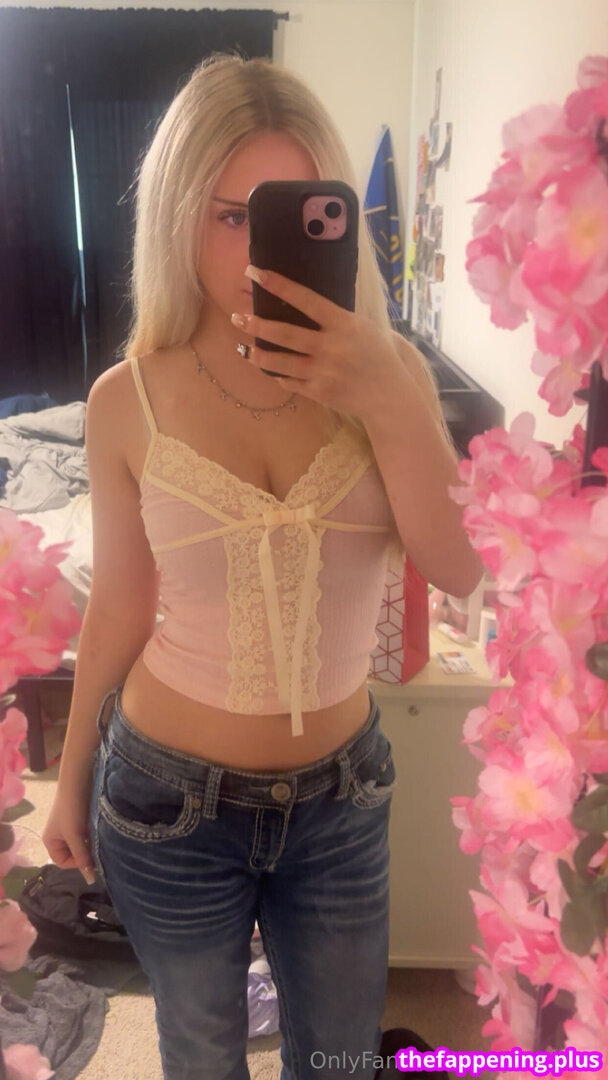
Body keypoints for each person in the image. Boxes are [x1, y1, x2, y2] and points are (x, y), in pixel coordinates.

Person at [42, 52, 482, 1080]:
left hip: (340, 801)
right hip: (164, 799)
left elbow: (459, 567)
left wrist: (387, 395)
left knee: (338, 1059)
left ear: (336, 217)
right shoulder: (125, 399)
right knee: (201, 1054)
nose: (255, 252)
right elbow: (120, 605)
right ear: (178, 218)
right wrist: (68, 785)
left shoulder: (393, 377)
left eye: (288, 213)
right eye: (229, 216)